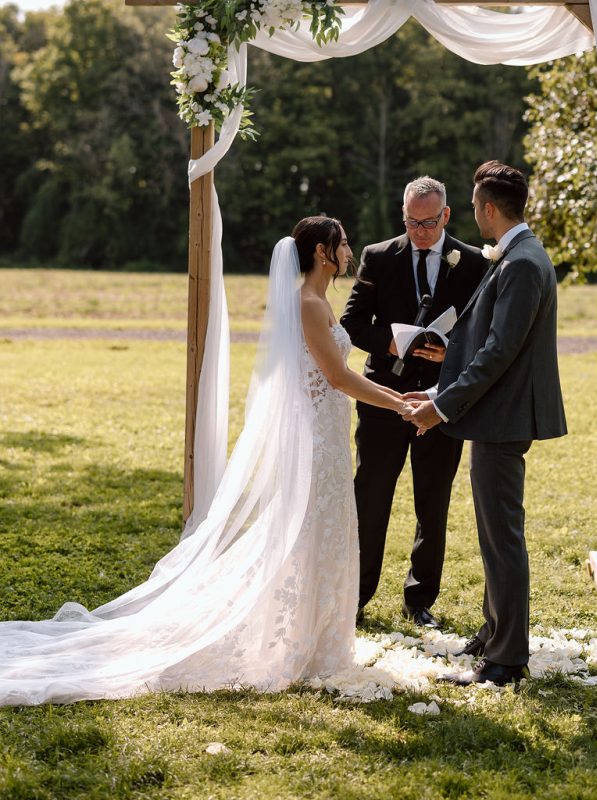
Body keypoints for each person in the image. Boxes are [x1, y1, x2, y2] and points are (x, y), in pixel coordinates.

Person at [0, 216, 407, 706]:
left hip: (329, 435)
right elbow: (339, 379)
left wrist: (403, 396)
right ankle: (299, 644)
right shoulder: (307, 304)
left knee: (327, 530)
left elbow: (341, 375)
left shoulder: (321, 303)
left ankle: (321, 642)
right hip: (317, 443)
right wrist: (402, 404)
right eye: (342, 244)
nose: (349, 251)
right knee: (310, 532)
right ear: (324, 251)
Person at [405, 162, 567, 687]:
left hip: (502, 420)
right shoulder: (520, 254)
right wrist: (436, 390)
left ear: (489, 209)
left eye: (475, 206)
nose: (475, 215)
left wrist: (442, 407)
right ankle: (494, 633)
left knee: (502, 538)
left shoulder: (521, 263)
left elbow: (499, 353)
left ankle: (505, 660)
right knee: (496, 535)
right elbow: (485, 344)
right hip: (496, 416)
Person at [341, 177, 486, 626]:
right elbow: (351, 323)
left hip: (443, 400)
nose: (419, 231)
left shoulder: (476, 262)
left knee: (432, 500)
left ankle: (420, 599)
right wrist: (391, 343)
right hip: (384, 396)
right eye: (411, 221)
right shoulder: (378, 256)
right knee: (371, 495)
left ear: (445, 216)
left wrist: (451, 352)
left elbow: (483, 332)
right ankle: (357, 596)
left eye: (427, 222)